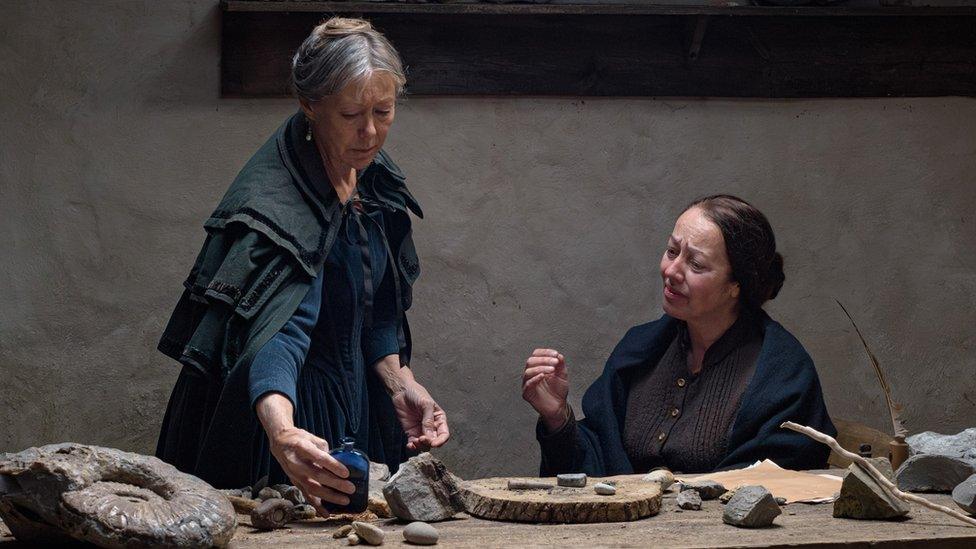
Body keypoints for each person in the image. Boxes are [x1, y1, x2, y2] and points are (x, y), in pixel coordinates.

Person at [155, 18, 449, 514]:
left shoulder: (374, 188)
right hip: (282, 421)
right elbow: (277, 337)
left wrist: (404, 386)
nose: (371, 131)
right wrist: (282, 430)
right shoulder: (273, 207)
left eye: (384, 110)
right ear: (309, 106)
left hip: (355, 406)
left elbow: (375, 313)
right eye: (352, 113)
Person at [521, 195, 835, 475]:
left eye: (696, 264)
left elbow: (780, 480)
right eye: (672, 251)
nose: (671, 271)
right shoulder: (641, 350)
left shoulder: (784, 375)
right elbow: (597, 462)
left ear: (735, 285)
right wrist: (558, 419)